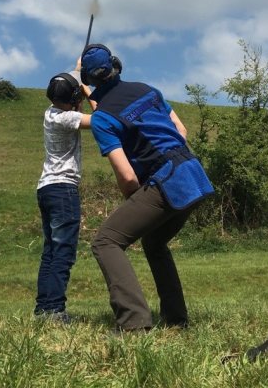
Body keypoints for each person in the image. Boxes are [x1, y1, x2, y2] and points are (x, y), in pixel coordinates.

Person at [80, 43, 215, 332]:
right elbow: (181, 130)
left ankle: (133, 324)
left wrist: (135, 199)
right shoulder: (146, 89)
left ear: (88, 81)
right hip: (193, 174)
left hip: (166, 181)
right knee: (154, 243)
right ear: (116, 65)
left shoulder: (103, 119)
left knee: (106, 241)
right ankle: (176, 321)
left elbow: (127, 177)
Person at [34, 60, 96, 322]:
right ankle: (55, 311)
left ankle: (44, 310)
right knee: (64, 253)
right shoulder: (67, 118)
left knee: (50, 251)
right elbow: (102, 119)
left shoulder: (51, 112)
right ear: (74, 97)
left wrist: (79, 66)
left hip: (46, 188)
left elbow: (68, 82)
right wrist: (90, 92)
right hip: (63, 189)